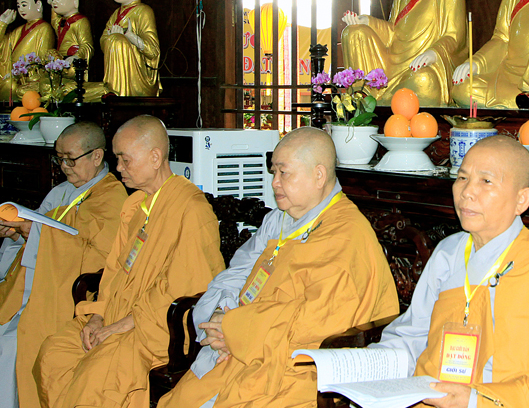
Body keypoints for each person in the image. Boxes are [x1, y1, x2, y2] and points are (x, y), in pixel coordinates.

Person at [157, 127, 399, 408]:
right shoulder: (278, 220)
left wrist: (235, 329)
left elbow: (318, 324)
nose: (274, 182)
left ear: (319, 175)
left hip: (294, 367)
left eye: (284, 173)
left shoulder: (346, 235)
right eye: (273, 172)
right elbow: (236, 272)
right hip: (239, 349)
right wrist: (221, 312)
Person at [371, 135, 529, 407]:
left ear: (521, 200)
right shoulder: (448, 253)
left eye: (486, 181)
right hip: (432, 398)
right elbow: (412, 335)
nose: (467, 192)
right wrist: (368, 365)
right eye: (462, 178)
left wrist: (475, 400)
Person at [34, 115, 225, 408]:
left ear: (155, 157)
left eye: (125, 159)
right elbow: (113, 270)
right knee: (54, 352)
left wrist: (120, 326)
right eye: (117, 159)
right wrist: (98, 316)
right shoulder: (135, 205)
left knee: (97, 373)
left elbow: (187, 287)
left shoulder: (192, 209)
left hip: (155, 329)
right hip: (115, 315)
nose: (119, 167)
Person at [0, 122, 128, 408]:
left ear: (96, 156)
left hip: (70, 296)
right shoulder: (61, 191)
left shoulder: (112, 197)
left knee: (11, 345)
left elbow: (101, 257)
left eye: (70, 159)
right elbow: (41, 235)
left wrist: (33, 232)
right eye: (59, 159)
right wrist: (17, 233)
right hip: (37, 286)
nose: (64, 167)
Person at [100, 0, 162, 97]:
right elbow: (103, 41)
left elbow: (153, 51)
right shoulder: (116, 14)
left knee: (116, 40)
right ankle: (114, 89)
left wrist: (130, 37)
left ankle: (118, 92)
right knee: (72, 91)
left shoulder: (144, 11)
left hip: (137, 78)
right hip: (114, 75)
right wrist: (110, 38)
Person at [48, 0, 109, 102]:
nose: (55, 1)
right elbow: (54, 20)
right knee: (47, 85)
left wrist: (76, 57)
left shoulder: (80, 22)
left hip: (73, 66)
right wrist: (52, 4)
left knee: (64, 90)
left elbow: (87, 45)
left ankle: (104, 90)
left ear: (74, 0)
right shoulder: (61, 22)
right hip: (60, 65)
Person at [0, 0, 57, 100]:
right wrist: (2, 23)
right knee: (9, 84)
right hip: (11, 77)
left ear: (38, 5)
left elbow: (42, 59)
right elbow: (2, 47)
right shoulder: (18, 30)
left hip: (28, 79)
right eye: (18, 6)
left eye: (24, 5)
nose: (21, 9)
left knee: (11, 86)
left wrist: (21, 74)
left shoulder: (44, 28)